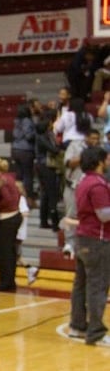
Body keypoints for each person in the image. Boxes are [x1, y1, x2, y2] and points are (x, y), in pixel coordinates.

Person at [69, 146, 110, 346]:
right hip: (97, 240)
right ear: (100, 161)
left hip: (83, 238)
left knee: (81, 284)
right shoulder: (98, 184)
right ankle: (96, 332)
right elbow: (104, 215)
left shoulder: (83, 181)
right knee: (98, 286)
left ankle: (77, 326)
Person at [62, 129, 101, 258]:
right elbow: (67, 163)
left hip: (91, 188)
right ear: (86, 137)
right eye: (93, 138)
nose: (95, 141)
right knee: (70, 214)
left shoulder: (99, 150)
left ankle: (84, 244)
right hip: (73, 186)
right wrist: (84, 156)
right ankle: (69, 243)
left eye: (97, 139)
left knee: (87, 216)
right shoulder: (75, 145)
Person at [0, 157, 22, 292]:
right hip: (15, 215)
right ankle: (10, 281)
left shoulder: (1, 180)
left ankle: (5, 282)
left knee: (5, 252)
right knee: (11, 251)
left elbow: (7, 199)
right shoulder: (9, 177)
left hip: (8, 217)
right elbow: (17, 195)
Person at [35, 109, 62, 230]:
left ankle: (43, 220)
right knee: (50, 193)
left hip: (44, 166)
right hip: (45, 166)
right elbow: (54, 150)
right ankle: (54, 223)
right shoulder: (42, 138)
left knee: (46, 193)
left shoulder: (47, 135)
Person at [11, 103, 36, 204]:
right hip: (25, 150)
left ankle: (17, 197)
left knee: (19, 175)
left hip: (15, 149)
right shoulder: (27, 121)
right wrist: (37, 131)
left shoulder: (16, 121)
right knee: (27, 176)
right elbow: (29, 136)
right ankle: (28, 199)